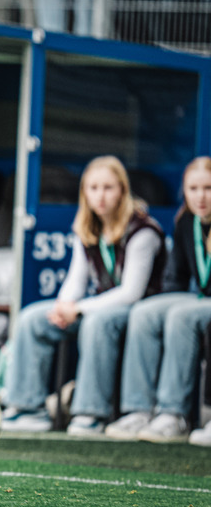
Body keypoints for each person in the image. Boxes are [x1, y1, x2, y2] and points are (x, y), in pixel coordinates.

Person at [2, 156, 166, 435]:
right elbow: (76, 280)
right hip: (98, 306)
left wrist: (78, 309)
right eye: (93, 188)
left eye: (108, 188)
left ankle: (91, 412)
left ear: (122, 191)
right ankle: (27, 407)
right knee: (32, 318)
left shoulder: (143, 230)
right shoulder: (87, 229)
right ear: (84, 193)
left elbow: (131, 293)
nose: (100, 196)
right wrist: (63, 306)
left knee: (96, 322)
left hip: (138, 310)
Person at [105, 157, 211, 443]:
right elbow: (176, 277)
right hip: (198, 299)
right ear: (185, 191)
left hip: (203, 304)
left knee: (181, 315)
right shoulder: (187, 220)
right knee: (145, 312)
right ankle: (138, 410)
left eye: (208, 188)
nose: (201, 196)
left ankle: (173, 413)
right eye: (193, 188)